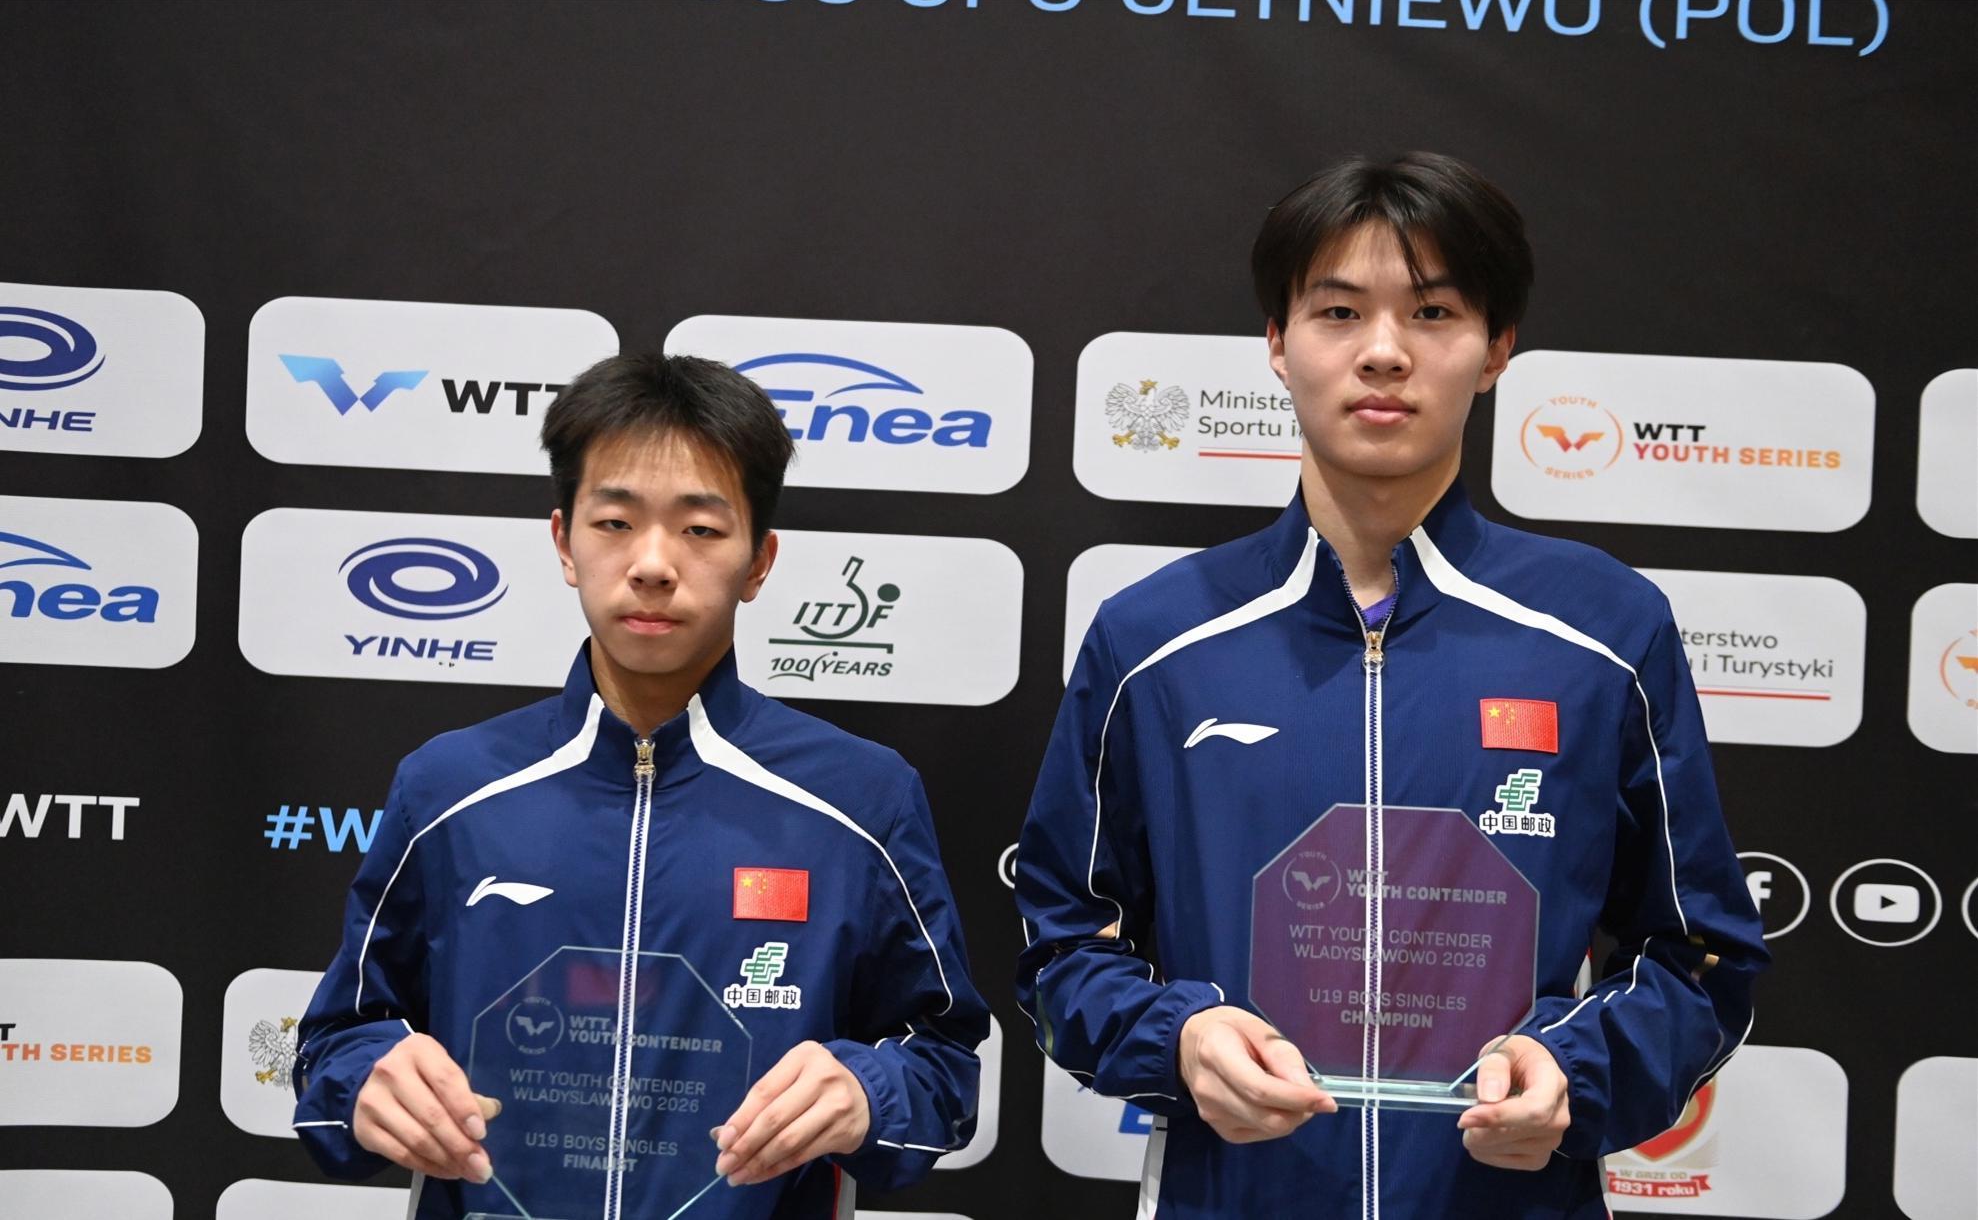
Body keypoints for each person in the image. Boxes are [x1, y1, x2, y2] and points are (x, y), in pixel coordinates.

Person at [1013, 152, 1766, 1219]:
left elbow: (1699, 955)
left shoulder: (1603, 629)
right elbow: (1059, 947)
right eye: (1337, 312)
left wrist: (1574, 1068)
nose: (1382, 351)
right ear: (1277, 344)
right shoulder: (1155, 640)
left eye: (1432, 312)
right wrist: (1177, 1038)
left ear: (1495, 349)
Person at [293, 353, 987, 1219]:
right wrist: (365, 1079)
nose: (653, 563)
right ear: (564, 542)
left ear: (760, 561)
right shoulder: (448, 788)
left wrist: (868, 1093)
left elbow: (944, 1066)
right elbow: (335, 1042)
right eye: (616, 522)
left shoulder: (861, 799)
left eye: (700, 529)